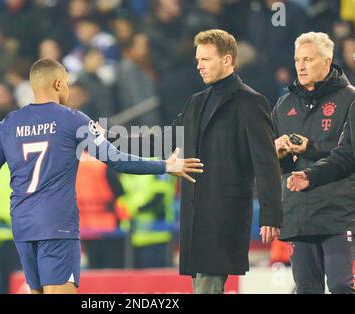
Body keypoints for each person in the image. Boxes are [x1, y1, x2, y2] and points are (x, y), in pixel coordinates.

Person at [0, 59, 204, 294]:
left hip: (22, 226)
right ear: (57, 84)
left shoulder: (7, 125)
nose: (68, 90)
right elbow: (116, 160)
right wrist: (165, 166)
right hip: (57, 225)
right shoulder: (73, 120)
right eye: (66, 84)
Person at [111, 29, 282, 294]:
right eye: (198, 60)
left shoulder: (250, 102)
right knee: (203, 285)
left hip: (224, 213)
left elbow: (266, 161)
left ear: (227, 60)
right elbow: (168, 140)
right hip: (194, 215)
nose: (199, 66)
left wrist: (271, 213)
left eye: (206, 59)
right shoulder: (195, 101)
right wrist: (112, 139)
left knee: (207, 286)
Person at [273, 32, 355, 294]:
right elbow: (268, 163)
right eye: (297, 59)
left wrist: (311, 147)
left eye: (308, 59)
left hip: (339, 212)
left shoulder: (349, 99)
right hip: (299, 213)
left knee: (342, 285)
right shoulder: (283, 105)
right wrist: (275, 153)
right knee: (307, 289)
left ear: (327, 61)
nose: (301, 65)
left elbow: (348, 155)